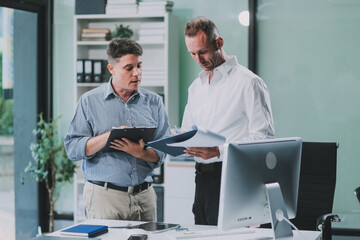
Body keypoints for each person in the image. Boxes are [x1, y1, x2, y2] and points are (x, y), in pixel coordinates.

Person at [181, 17, 275, 225]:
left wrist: (219, 151)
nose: (198, 59)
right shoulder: (195, 87)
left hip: (233, 178)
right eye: (193, 54)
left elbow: (264, 140)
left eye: (203, 52)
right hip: (202, 180)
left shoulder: (249, 83)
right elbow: (188, 130)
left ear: (219, 43)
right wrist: (179, 141)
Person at [64, 38, 170, 221]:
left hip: (145, 197)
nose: (137, 73)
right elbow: (73, 148)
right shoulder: (89, 101)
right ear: (111, 69)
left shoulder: (154, 102)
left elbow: (163, 149)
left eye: (139, 66)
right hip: (105, 198)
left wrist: (140, 152)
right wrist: (107, 137)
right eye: (129, 68)